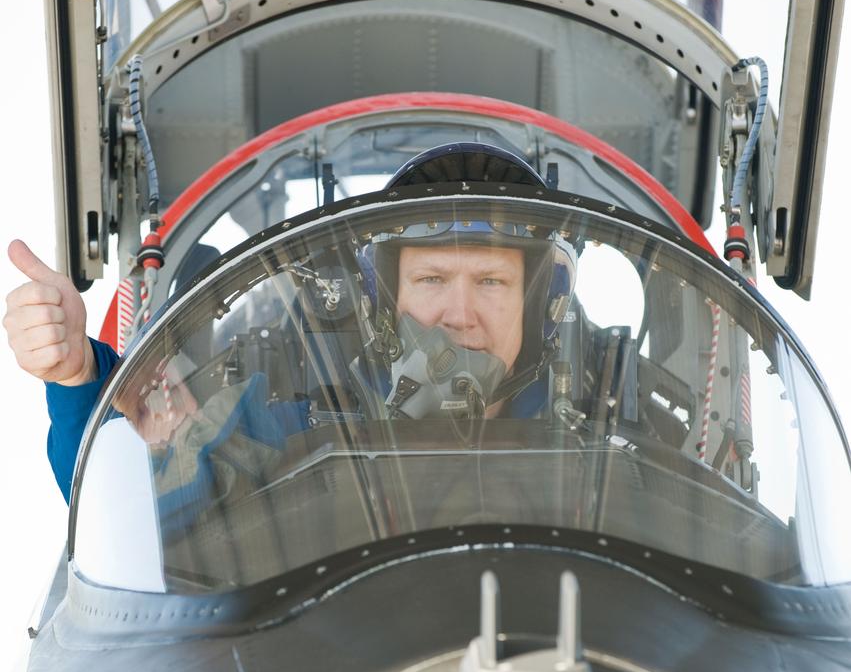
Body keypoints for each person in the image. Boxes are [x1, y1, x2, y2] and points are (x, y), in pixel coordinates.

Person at [3, 144, 576, 504]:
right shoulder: (278, 423)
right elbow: (124, 508)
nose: (459, 313)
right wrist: (80, 378)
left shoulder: (607, 423)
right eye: (430, 279)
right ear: (383, 300)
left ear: (536, 303)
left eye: (492, 282)